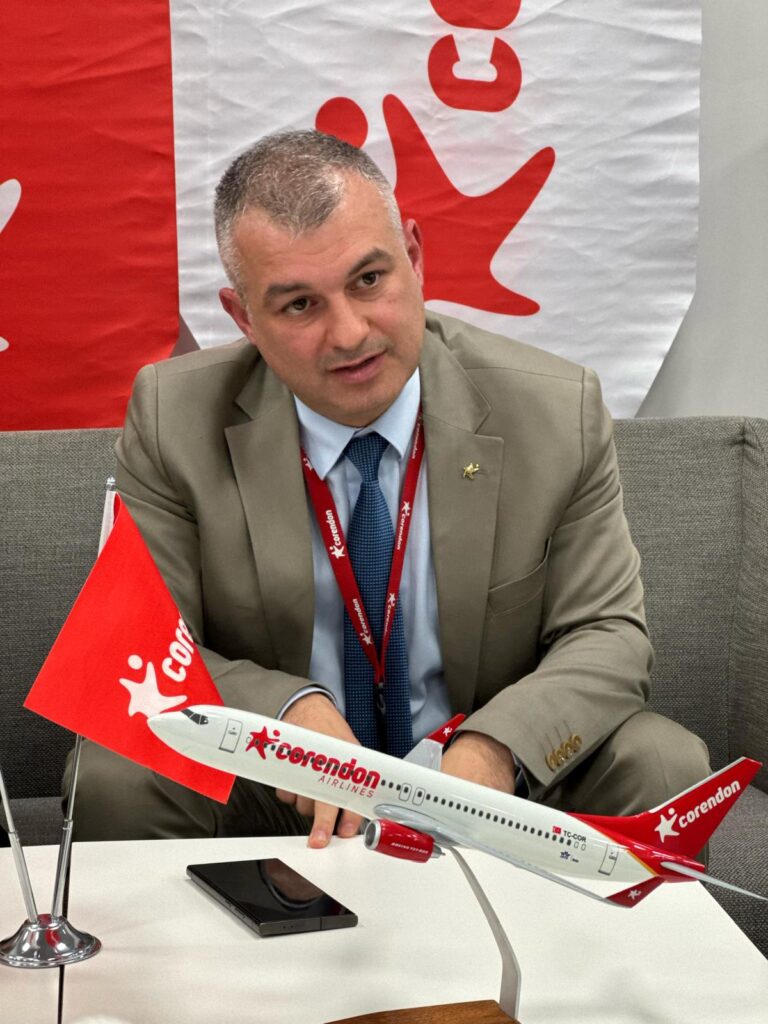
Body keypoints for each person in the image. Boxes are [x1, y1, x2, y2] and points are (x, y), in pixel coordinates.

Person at [65, 130, 709, 843]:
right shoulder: (172, 416)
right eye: (299, 306)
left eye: (369, 280)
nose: (349, 334)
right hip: (282, 787)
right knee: (113, 774)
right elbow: (141, 645)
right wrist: (284, 716)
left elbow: (608, 635)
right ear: (244, 318)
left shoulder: (557, 411)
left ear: (415, 257)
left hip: (483, 783)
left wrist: (495, 751)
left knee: (662, 761)